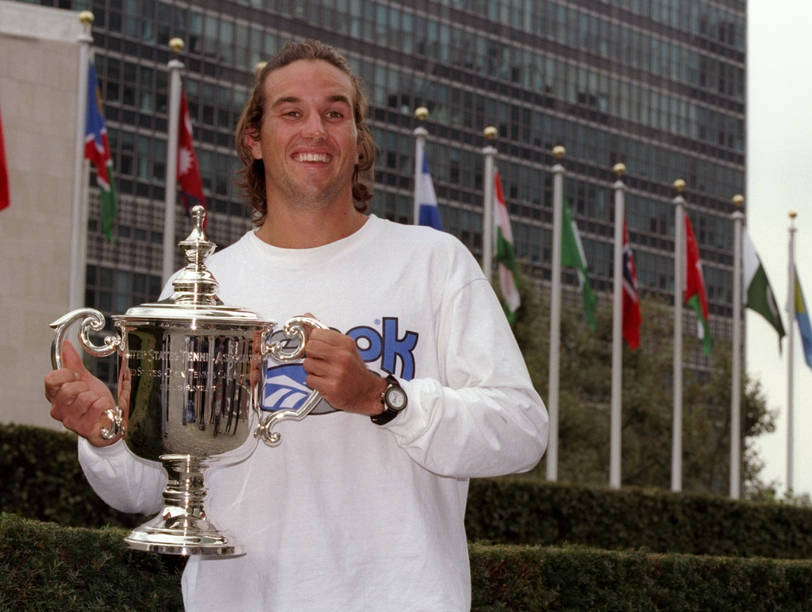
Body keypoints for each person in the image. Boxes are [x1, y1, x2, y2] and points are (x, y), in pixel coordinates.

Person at [44, 39, 548, 611]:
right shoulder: (205, 289)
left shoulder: (434, 262)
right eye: (292, 112)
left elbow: (522, 431)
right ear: (254, 140)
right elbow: (147, 489)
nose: (316, 129)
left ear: (358, 142)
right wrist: (106, 433)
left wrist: (385, 398)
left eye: (336, 113)